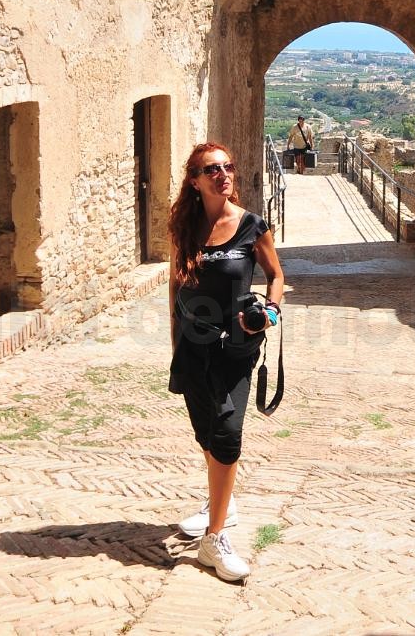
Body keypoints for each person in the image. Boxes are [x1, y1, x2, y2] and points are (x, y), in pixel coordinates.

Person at [166, 142, 285, 581]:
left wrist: (270, 311)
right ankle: (222, 502)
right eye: (212, 169)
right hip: (193, 347)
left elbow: (276, 275)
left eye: (228, 167)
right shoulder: (184, 229)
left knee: (228, 431)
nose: (223, 175)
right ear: (195, 181)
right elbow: (176, 290)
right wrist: (174, 341)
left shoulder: (252, 226)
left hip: (236, 348)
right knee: (205, 432)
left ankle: (213, 541)